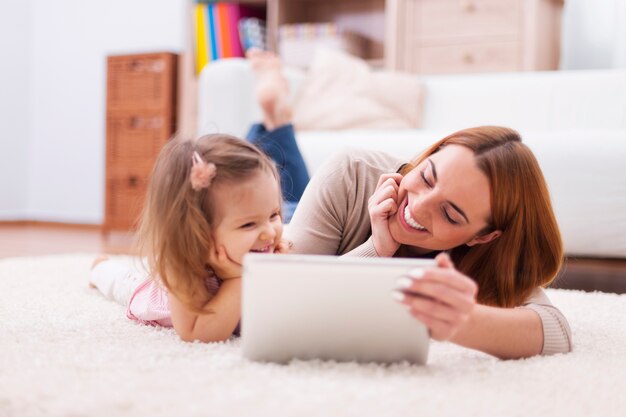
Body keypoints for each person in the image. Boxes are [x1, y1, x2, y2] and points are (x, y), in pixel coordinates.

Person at [245, 50, 572, 359]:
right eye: (427, 177)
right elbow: (280, 298)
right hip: (292, 215)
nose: (417, 207)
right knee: (265, 196)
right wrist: (377, 249)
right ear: (429, 154)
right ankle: (279, 120)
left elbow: (556, 332)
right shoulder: (353, 172)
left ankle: (279, 123)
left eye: (450, 213)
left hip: (314, 212)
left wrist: (460, 320)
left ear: (482, 236)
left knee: (291, 192)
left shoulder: (486, 256)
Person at [90, 134, 287, 342]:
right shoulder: (184, 269)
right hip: (158, 294)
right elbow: (197, 333)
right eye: (249, 224)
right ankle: (99, 268)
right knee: (122, 281)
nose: (270, 233)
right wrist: (237, 278)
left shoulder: (258, 246)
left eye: (273, 215)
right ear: (199, 232)